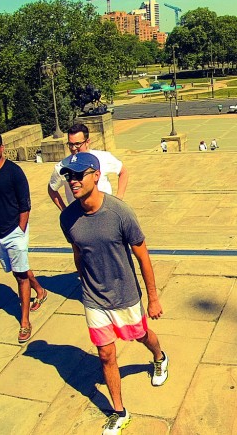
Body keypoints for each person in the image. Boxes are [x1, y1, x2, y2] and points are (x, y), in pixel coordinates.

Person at [58, 153, 169, 435]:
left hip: (125, 295)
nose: (72, 181)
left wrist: (153, 298)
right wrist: (84, 283)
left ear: (96, 175)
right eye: (69, 175)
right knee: (106, 354)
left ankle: (159, 357)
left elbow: (143, 256)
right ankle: (119, 411)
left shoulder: (120, 212)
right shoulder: (68, 218)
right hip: (94, 298)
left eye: (78, 175)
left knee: (141, 335)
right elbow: (78, 252)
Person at [0, 132, 48, 343]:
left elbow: (25, 203)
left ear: (2, 147)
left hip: (15, 230)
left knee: (20, 276)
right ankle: (40, 291)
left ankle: (25, 322)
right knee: (17, 269)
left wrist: (21, 230)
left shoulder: (14, 172)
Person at [48, 123, 128, 211]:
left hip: (105, 211)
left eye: (77, 144)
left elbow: (123, 172)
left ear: (87, 141)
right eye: (70, 144)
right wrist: (65, 210)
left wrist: (119, 198)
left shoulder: (103, 157)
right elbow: (52, 188)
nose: (74, 148)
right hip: (79, 216)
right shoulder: (62, 166)